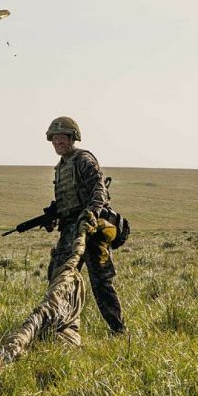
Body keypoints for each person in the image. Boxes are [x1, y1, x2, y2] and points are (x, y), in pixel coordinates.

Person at [44, 116, 126, 337]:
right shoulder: (60, 167)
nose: (58, 142)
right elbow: (67, 202)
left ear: (72, 138)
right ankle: (61, 328)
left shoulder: (84, 160)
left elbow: (99, 191)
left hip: (91, 229)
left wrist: (91, 213)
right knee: (58, 278)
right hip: (70, 231)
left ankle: (119, 331)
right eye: (55, 139)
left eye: (62, 138)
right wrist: (54, 217)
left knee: (101, 283)